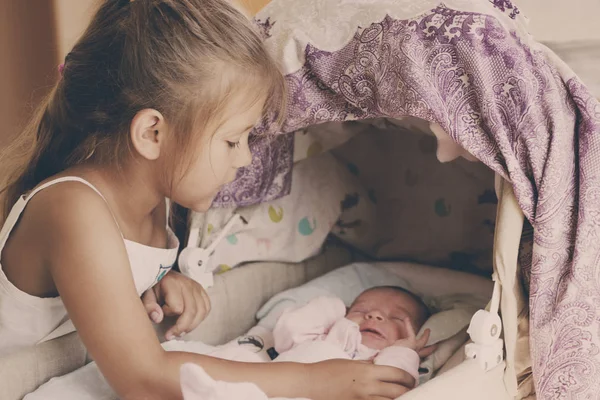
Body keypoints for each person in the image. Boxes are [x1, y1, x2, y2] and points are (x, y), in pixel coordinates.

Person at [0, 1, 415, 399]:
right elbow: (143, 379)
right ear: (152, 134)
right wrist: (312, 380)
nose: (246, 158)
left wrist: (160, 282)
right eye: (232, 140)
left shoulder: (153, 199)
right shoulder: (75, 209)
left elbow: (97, 286)